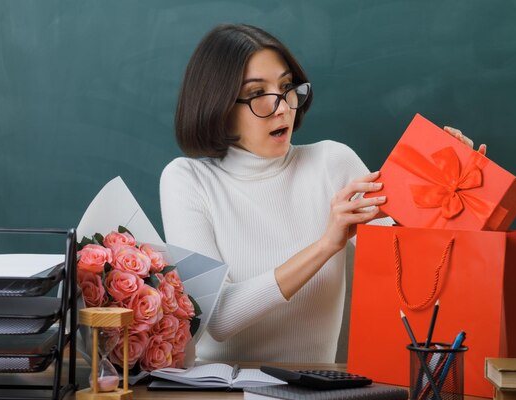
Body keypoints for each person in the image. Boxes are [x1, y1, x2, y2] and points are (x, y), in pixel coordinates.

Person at [160, 24, 484, 363]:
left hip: (313, 396)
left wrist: (452, 195)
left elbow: (416, 277)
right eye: (258, 94)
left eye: (287, 87)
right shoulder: (187, 179)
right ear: (219, 106)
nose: (283, 107)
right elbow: (220, 319)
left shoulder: (333, 163)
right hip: (218, 396)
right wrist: (325, 245)